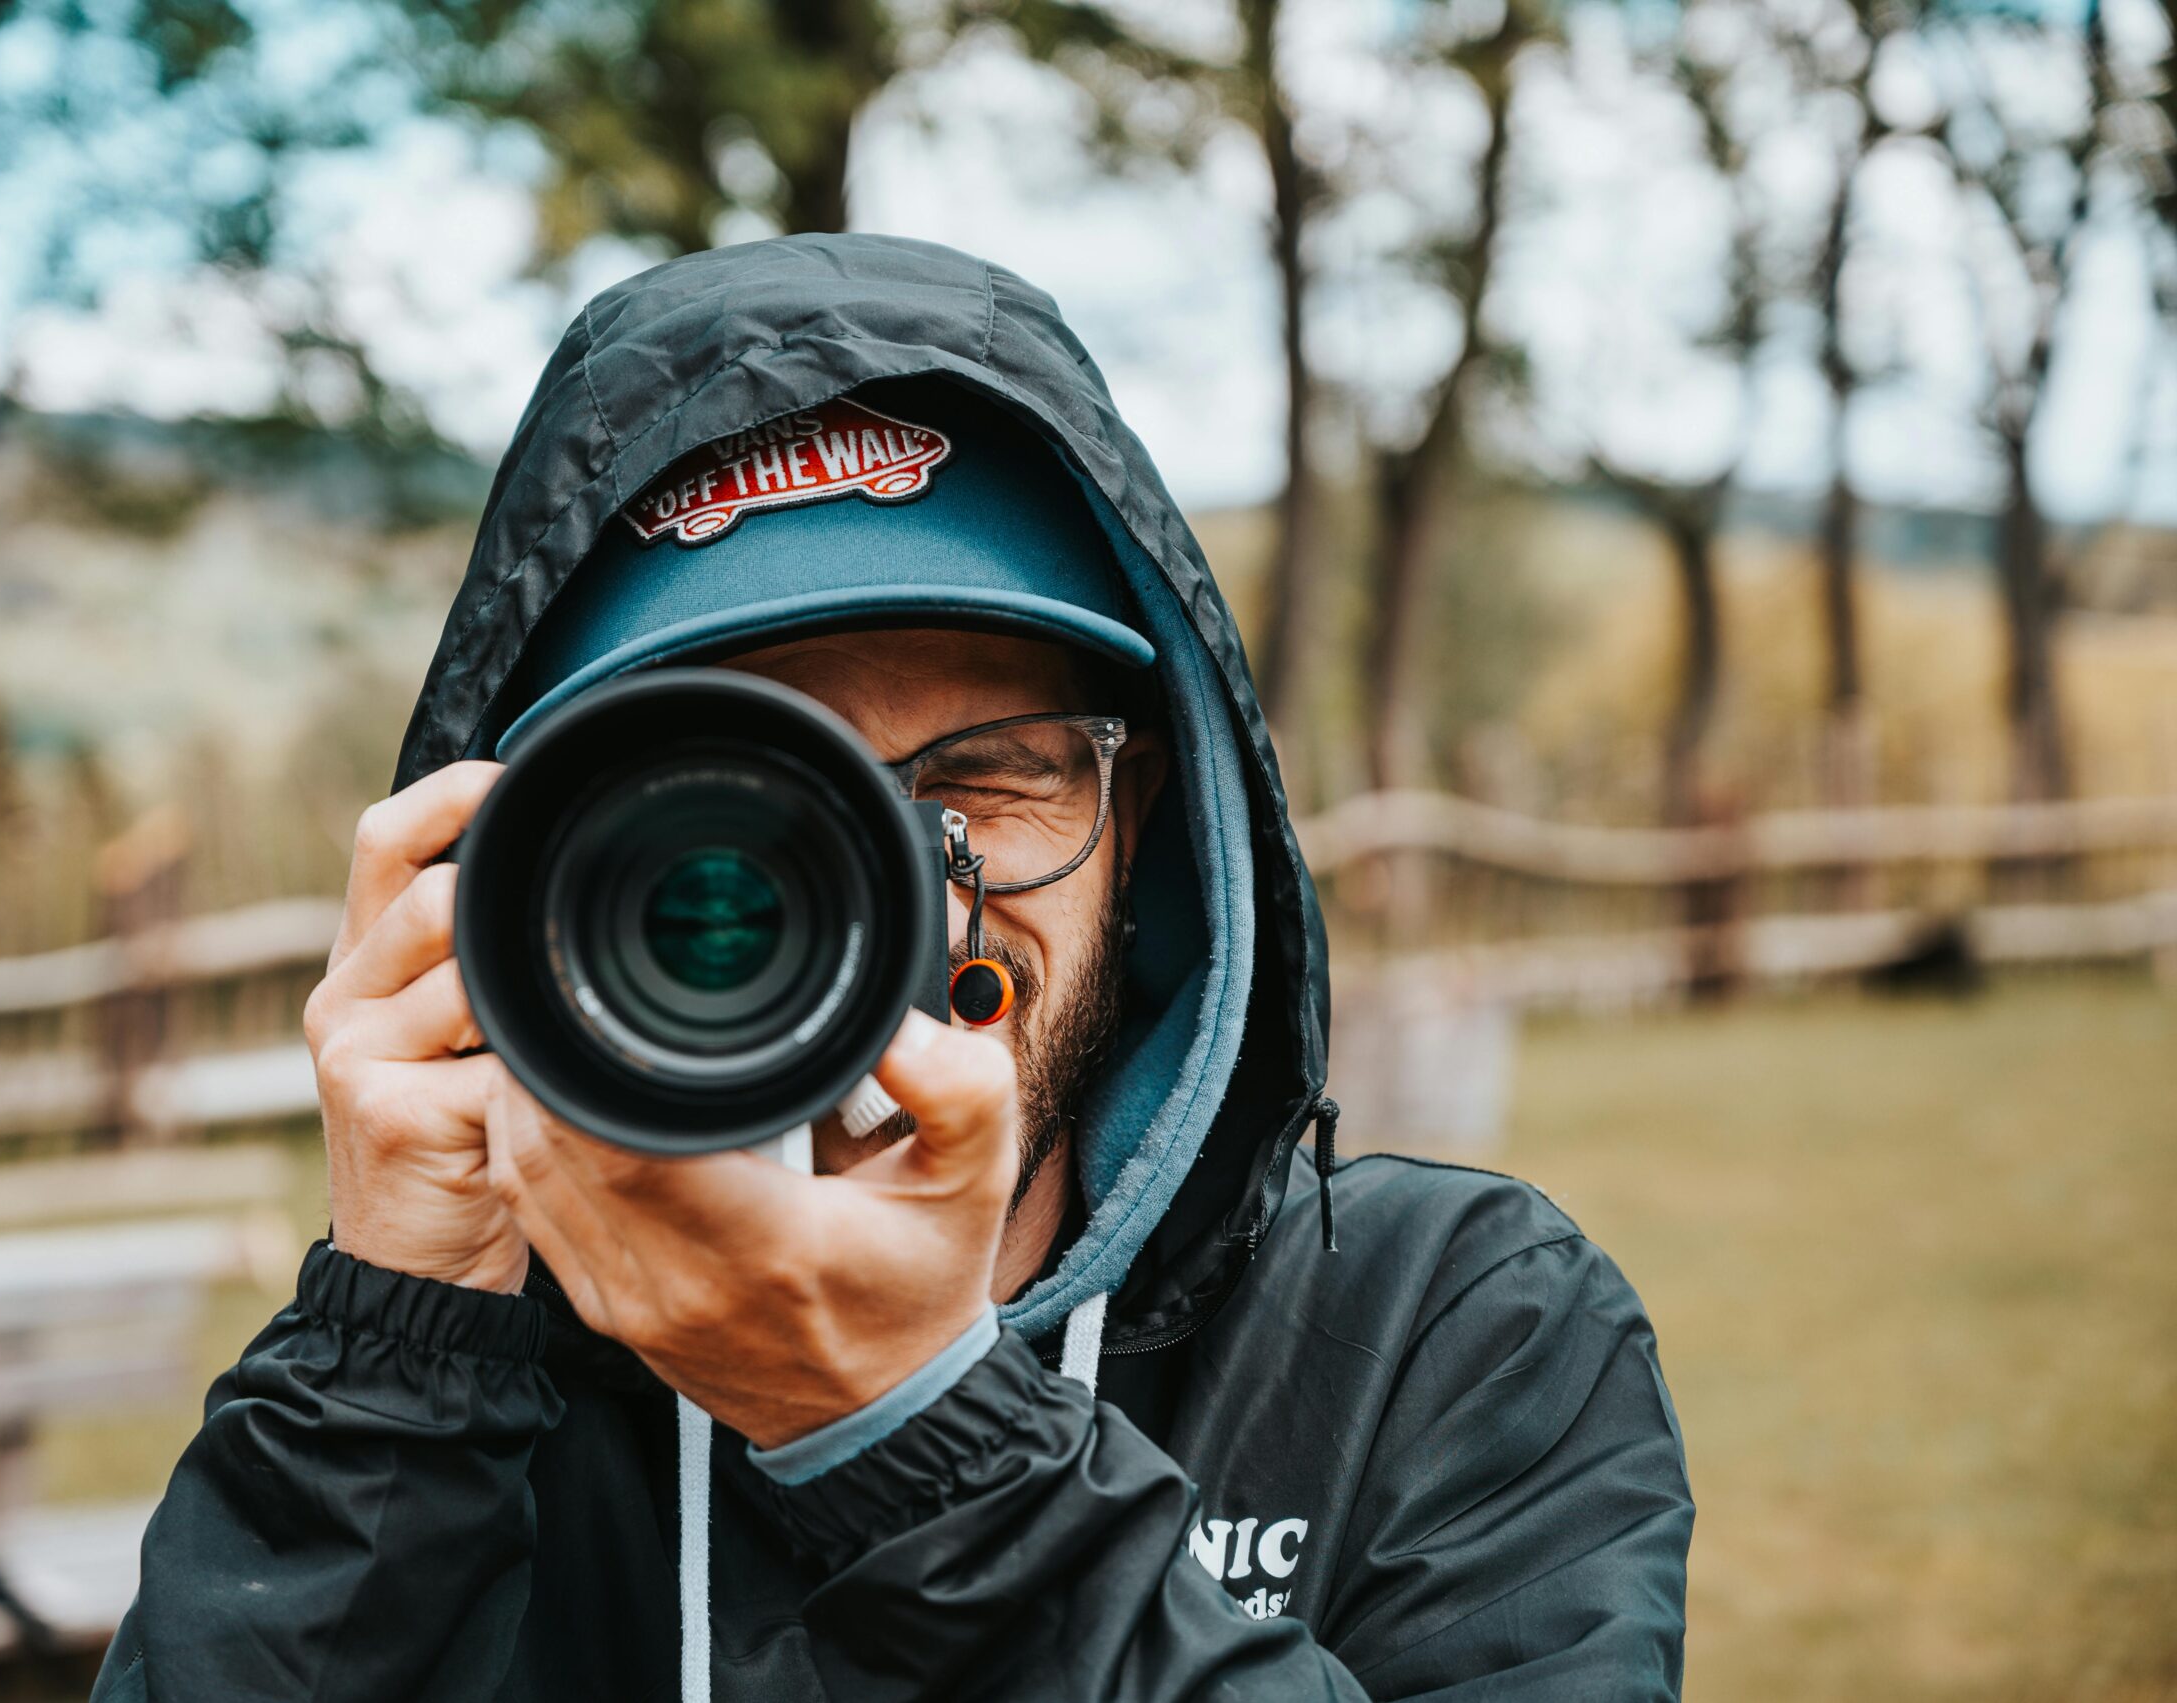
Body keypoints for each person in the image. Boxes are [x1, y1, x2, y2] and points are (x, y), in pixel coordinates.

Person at [93, 235, 1692, 1702]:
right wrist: (399, 1360)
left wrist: (928, 1443)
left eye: (986, 775)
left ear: (1146, 823)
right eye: (749, 806)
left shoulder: (1443, 1333)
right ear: (516, 874)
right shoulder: (468, 1403)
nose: (894, 898)